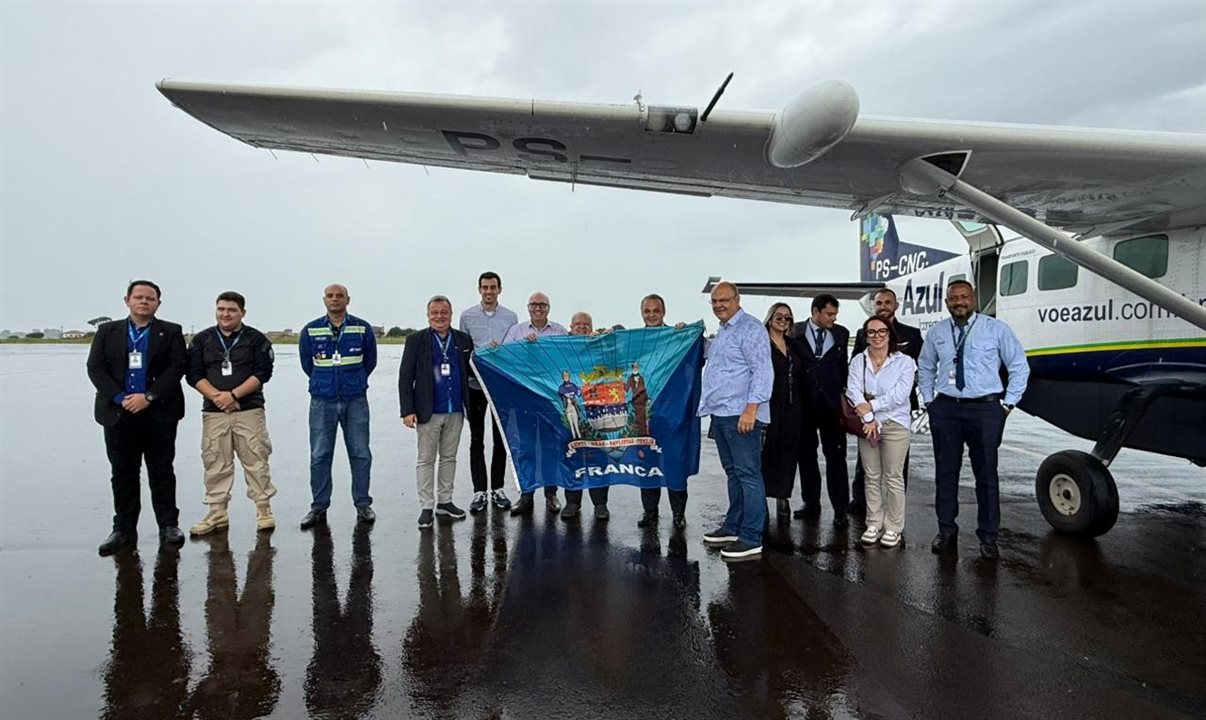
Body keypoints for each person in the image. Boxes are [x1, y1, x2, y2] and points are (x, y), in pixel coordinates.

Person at [919, 280, 1030, 561]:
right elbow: (926, 367)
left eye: (964, 296)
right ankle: (946, 529)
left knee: (986, 475)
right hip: (946, 409)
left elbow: (1019, 366)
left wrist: (1007, 404)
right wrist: (930, 401)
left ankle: (989, 536)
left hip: (985, 410)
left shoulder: (996, 329)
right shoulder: (937, 333)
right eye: (954, 298)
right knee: (946, 473)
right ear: (947, 303)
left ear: (974, 299)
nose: (959, 302)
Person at [87, 280, 187, 555]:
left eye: (150, 298)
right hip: (119, 414)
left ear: (158, 303)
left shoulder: (171, 331)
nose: (144, 302)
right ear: (127, 300)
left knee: (162, 470)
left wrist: (149, 397)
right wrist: (120, 398)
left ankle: (169, 525)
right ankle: (123, 529)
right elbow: (95, 368)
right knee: (123, 472)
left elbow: (176, 367)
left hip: (158, 413)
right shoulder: (107, 331)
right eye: (139, 297)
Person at [185, 291, 278, 536]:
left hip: (248, 409)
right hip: (214, 412)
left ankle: (263, 509)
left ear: (242, 313)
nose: (225, 314)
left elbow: (263, 372)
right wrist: (219, 397)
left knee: (256, 459)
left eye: (232, 310)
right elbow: (193, 375)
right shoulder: (202, 339)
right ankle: (217, 512)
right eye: (221, 309)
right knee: (215, 460)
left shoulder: (256, 339)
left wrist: (234, 395)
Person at [699, 282, 773, 562]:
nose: (719, 305)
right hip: (721, 413)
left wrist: (751, 409)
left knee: (748, 474)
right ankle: (733, 526)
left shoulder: (751, 329)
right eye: (715, 301)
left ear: (737, 299)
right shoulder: (724, 331)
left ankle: (751, 536)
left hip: (741, 414)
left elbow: (762, 371)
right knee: (733, 473)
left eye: (724, 300)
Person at [298, 283, 378, 530]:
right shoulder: (310, 330)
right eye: (331, 296)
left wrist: (356, 381)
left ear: (348, 299)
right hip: (323, 401)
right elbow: (307, 364)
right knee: (320, 454)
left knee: (360, 453)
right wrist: (324, 383)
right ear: (324, 300)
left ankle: (363, 504)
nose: (335, 300)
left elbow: (370, 361)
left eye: (339, 296)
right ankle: (318, 507)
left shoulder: (362, 328)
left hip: (355, 400)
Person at [399, 295, 473, 529]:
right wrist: (407, 410)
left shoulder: (463, 339)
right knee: (426, 460)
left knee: (449, 457)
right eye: (435, 313)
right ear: (428, 315)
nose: (440, 317)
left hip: (455, 410)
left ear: (451, 314)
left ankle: (445, 501)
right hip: (427, 410)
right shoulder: (416, 340)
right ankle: (426, 506)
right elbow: (405, 377)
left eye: (444, 312)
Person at [849, 288, 923, 517]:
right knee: (867, 465)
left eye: (887, 302)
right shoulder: (864, 334)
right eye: (879, 303)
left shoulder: (912, 334)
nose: (883, 306)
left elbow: (915, 372)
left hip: (897, 411)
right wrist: (864, 405)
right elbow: (856, 368)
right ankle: (861, 503)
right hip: (867, 411)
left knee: (896, 467)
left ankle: (894, 513)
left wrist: (877, 403)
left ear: (896, 305)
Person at [848, 316, 916, 549]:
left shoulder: (904, 362)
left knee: (894, 477)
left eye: (882, 331)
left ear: (889, 334)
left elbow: (900, 395)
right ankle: (874, 523)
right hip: (868, 425)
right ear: (865, 336)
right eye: (871, 332)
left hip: (896, 424)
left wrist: (873, 408)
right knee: (871, 476)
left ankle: (894, 527)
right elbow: (853, 390)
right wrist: (868, 418)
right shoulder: (859, 360)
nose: (877, 336)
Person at [458, 272, 517, 513]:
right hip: (474, 385)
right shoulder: (467, 316)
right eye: (485, 287)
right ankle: (479, 491)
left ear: (500, 289)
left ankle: (498, 489)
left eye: (493, 287)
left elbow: (513, 349)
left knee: (500, 439)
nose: (489, 291)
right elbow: (463, 348)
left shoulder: (511, 317)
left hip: (499, 386)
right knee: (476, 439)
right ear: (479, 289)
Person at [504, 292, 566, 515]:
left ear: (548, 307)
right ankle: (526, 494)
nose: (538, 308)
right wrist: (522, 346)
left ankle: (551, 494)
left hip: (550, 400)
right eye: (534, 304)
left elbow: (570, 359)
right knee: (526, 448)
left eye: (542, 305)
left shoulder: (560, 331)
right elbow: (504, 357)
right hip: (524, 398)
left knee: (551, 447)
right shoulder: (516, 331)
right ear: (528, 307)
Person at [793, 293, 851, 527]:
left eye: (835, 314)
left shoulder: (841, 334)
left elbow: (843, 367)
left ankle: (840, 509)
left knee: (836, 457)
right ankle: (811, 502)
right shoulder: (794, 332)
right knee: (806, 456)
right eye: (829, 314)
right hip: (804, 406)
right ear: (815, 312)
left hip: (831, 406)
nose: (833, 319)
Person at [636, 293, 689, 529]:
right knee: (647, 463)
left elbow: (699, 358)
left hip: (672, 412)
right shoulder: (634, 341)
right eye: (647, 311)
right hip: (644, 414)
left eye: (656, 310)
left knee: (674, 463)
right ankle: (650, 512)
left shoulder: (677, 337)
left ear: (664, 312)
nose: (651, 315)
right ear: (641, 313)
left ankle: (678, 513)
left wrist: (686, 335)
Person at [562, 311, 609, 521]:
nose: (581, 327)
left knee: (598, 457)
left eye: (586, 324)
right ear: (570, 328)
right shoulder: (561, 349)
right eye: (577, 324)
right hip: (572, 412)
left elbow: (618, 353)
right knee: (572, 458)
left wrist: (610, 336)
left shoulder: (598, 346)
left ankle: (600, 504)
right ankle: (572, 502)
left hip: (596, 411)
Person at [761, 303, 805, 521]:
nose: (783, 321)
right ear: (770, 318)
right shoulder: (761, 344)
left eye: (787, 318)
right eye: (779, 317)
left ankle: (782, 497)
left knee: (788, 451)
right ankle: (762, 500)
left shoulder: (793, 344)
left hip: (791, 404)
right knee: (767, 452)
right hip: (768, 403)